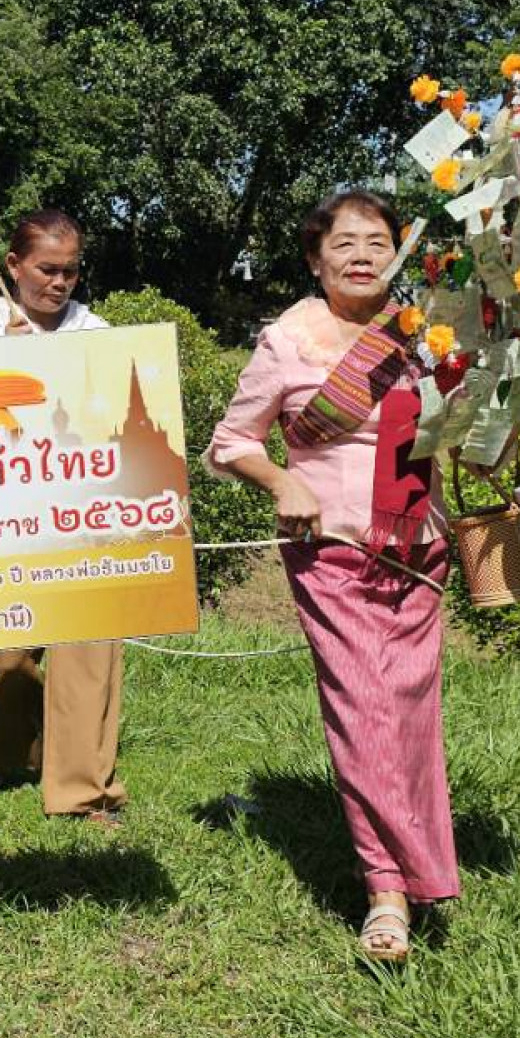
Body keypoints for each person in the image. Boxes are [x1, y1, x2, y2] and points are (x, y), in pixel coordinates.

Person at [209, 187, 455, 964]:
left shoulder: (423, 334)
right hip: (332, 552)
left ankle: (415, 867)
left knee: (409, 712)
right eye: (342, 243)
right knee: (364, 712)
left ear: (398, 254)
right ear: (314, 260)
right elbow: (231, 441)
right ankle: (387, 892)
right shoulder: (287, 342)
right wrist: (282, 481)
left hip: (417, 548)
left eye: (377, 242)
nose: (360, 256)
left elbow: (463, 434)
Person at [0, 209, 129, 823]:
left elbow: (112, 409)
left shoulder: (95, 330)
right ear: (13, 265)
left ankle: (85, 789)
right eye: (47, 269)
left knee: (87, 656)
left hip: (81, 512)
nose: (59, 282)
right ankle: (0, 754)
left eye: (70, 271)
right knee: (4, 657)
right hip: (2, 514)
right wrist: (8, 361)